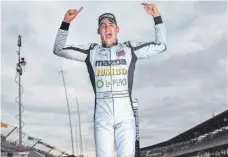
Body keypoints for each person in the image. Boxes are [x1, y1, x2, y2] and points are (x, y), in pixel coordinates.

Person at [53, 3, 167, 157]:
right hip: (102, 118)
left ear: (117, 29)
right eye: (103, 26)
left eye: (111, 25)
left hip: (125, 118)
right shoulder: (91, 52)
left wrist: (156, 16)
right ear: (98, 31)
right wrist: (66, 22)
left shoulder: (129, 49)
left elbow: (161, 46)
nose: (107, 29)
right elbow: (58, 49)